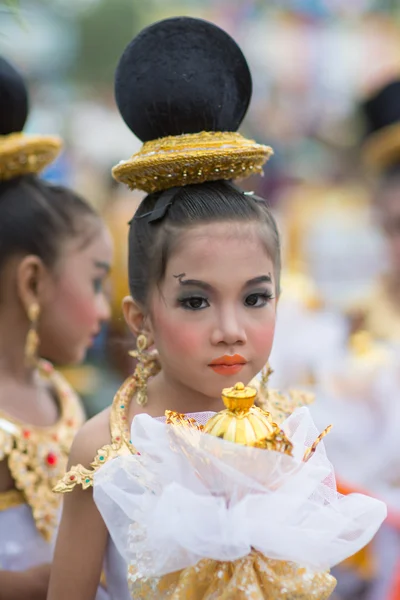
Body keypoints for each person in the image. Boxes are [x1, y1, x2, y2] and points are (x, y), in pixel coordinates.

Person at [47, 18, 375, 600]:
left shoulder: (291, 432)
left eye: (255, 298)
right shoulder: (106, 448)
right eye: (195, 301)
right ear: (140, 317)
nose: (231, 331)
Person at [0, 56, 112, 599]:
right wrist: (28, 584)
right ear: (32, 282)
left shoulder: (59, 392)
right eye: (95, 283)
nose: (106, 309)